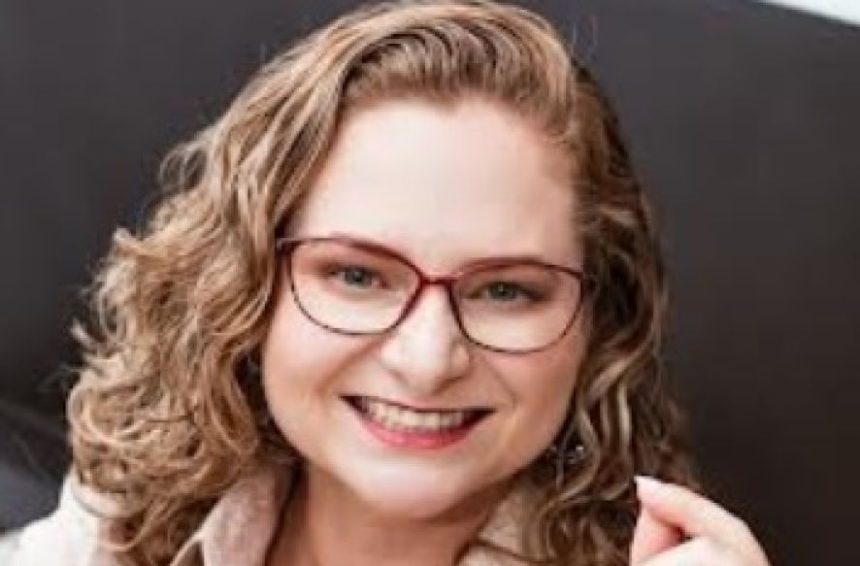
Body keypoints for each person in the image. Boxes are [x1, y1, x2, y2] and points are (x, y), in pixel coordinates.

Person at [6, 1, 771, 565]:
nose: (428, 360)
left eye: (505, 290)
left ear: (598, 320)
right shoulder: (136, 504)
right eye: (357, 275)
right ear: (245, 287)